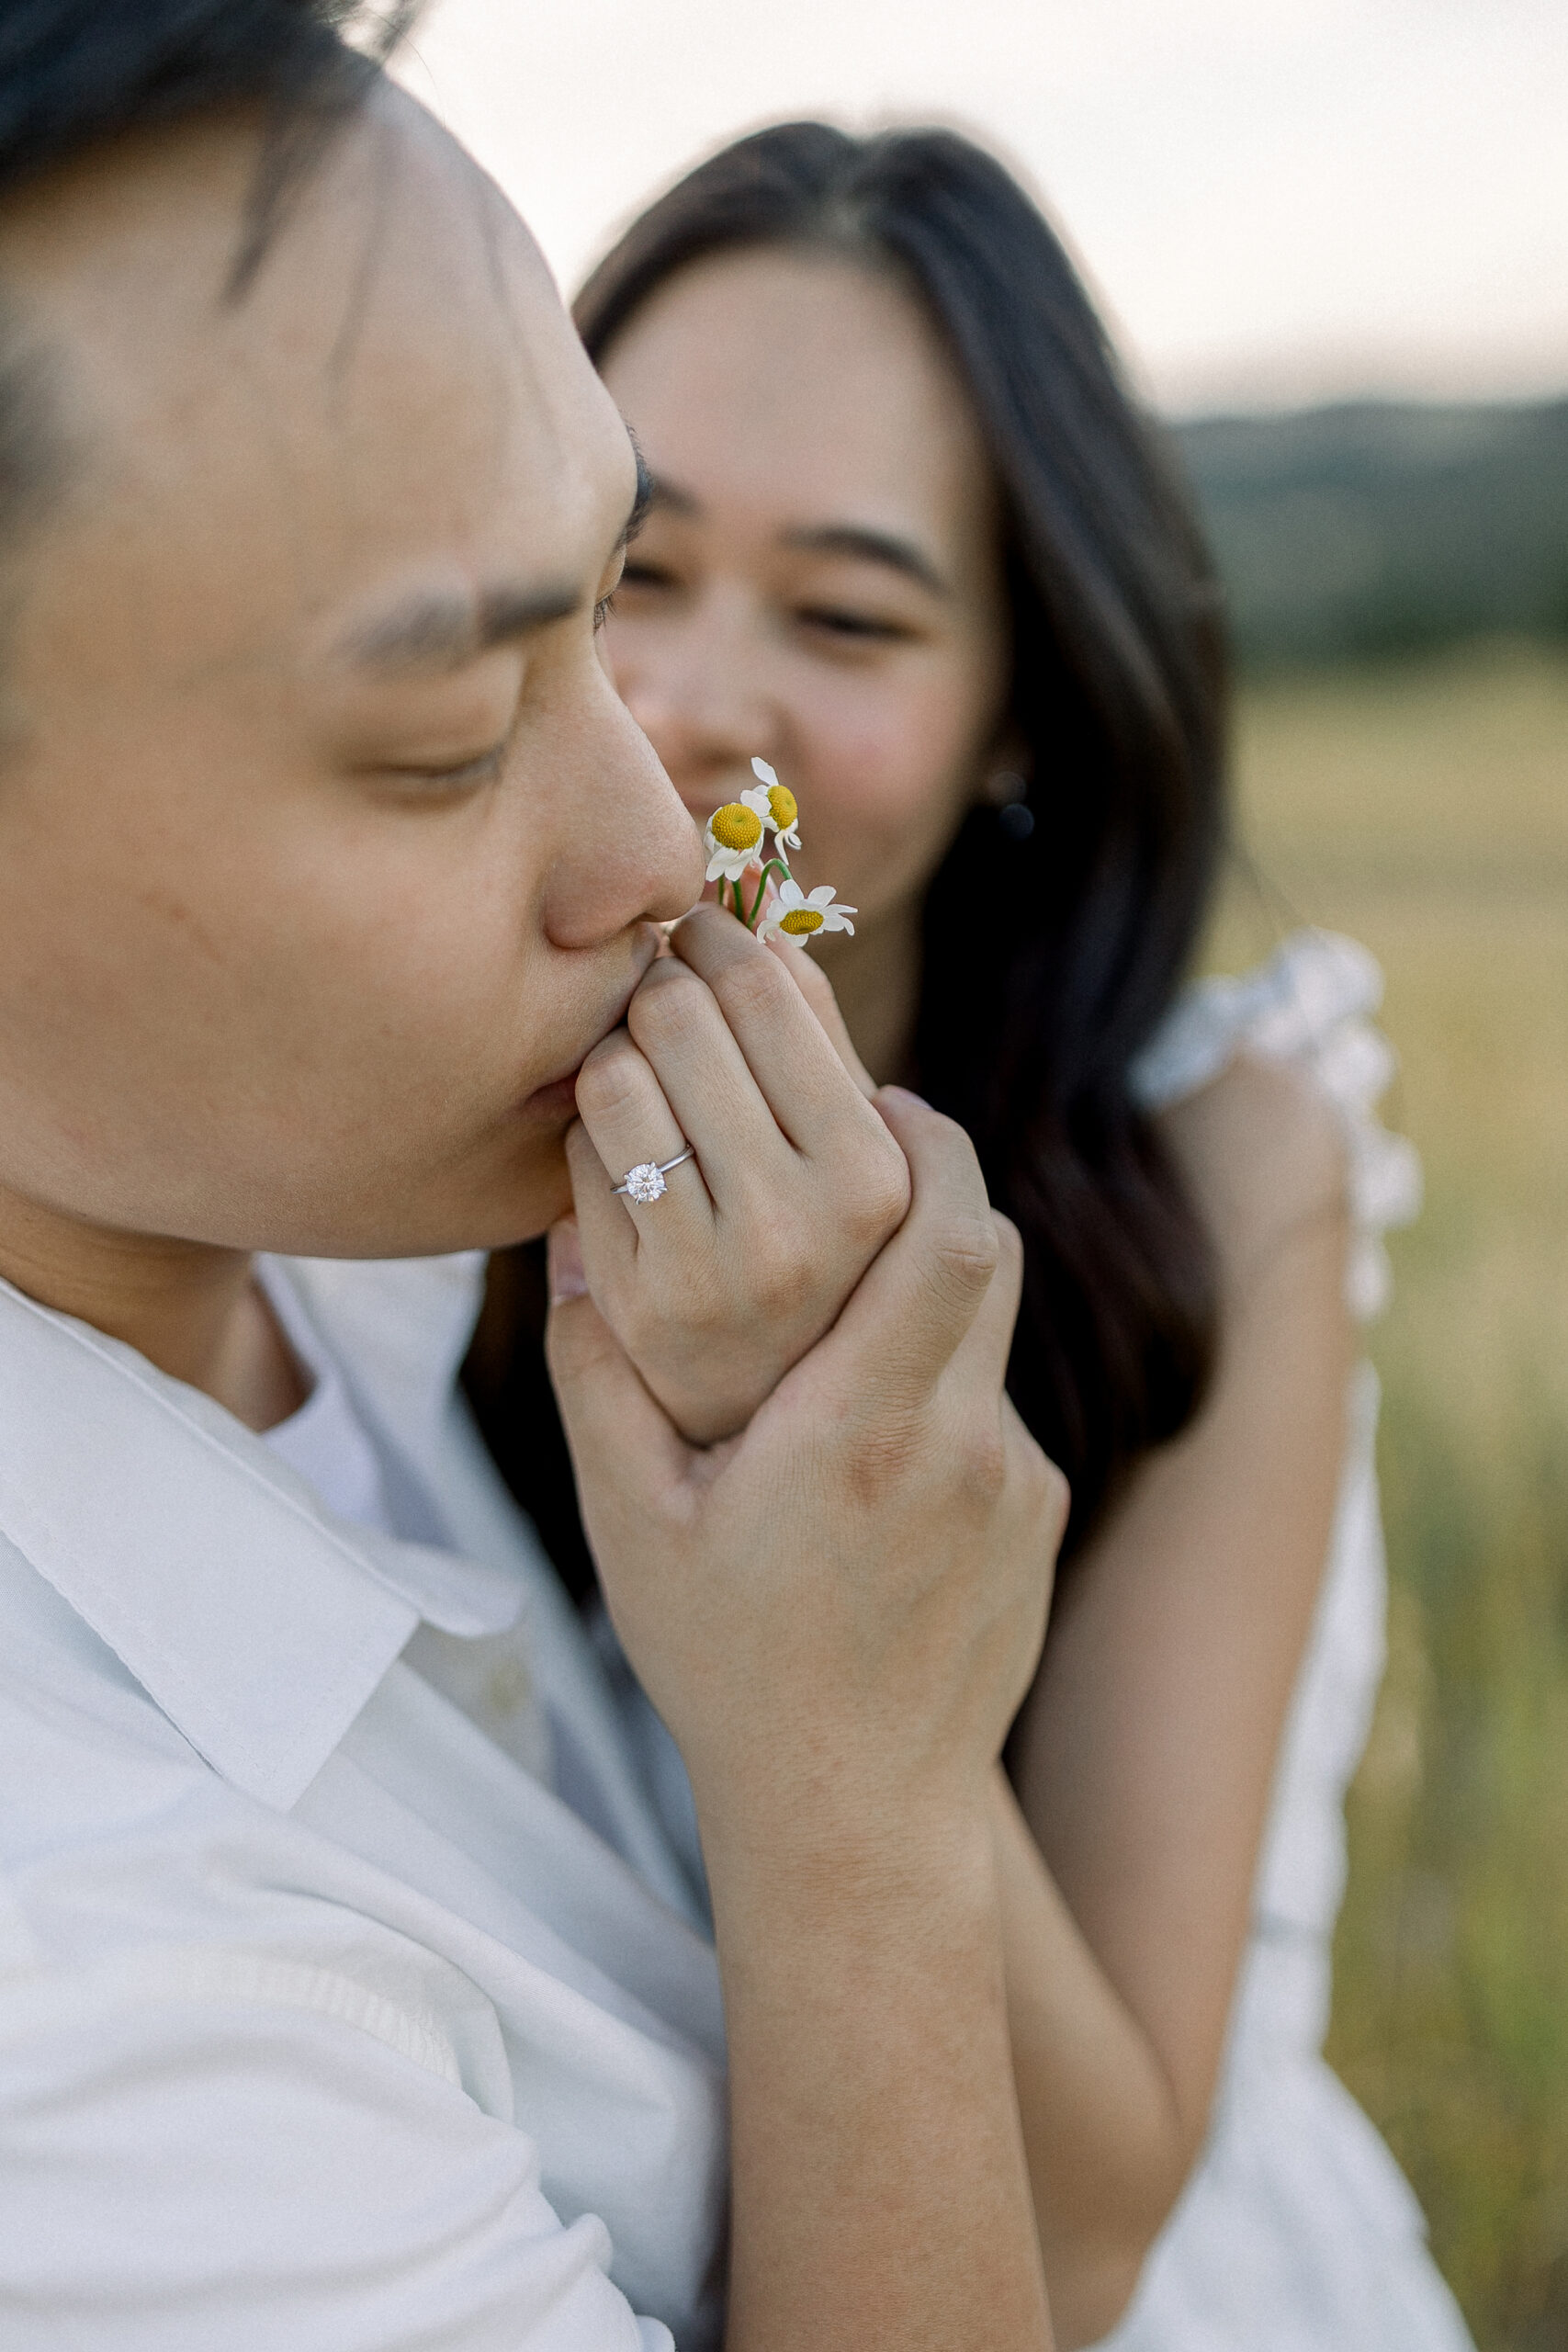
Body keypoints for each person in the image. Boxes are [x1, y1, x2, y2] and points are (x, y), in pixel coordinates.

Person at [0, 17, 1069, 2348]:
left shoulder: (358, 1225)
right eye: (449, 741)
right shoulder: (80, 2012)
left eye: (597, 594)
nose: (660, 844)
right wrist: (861, 1797)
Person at [462, 123, 1472, 2350]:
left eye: (843, 615)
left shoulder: (1223, 1162)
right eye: (625, 567)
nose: (693, 701)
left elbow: (1094, 2232)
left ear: (1017, 698)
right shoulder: (380, 1143)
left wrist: (811, 1440)